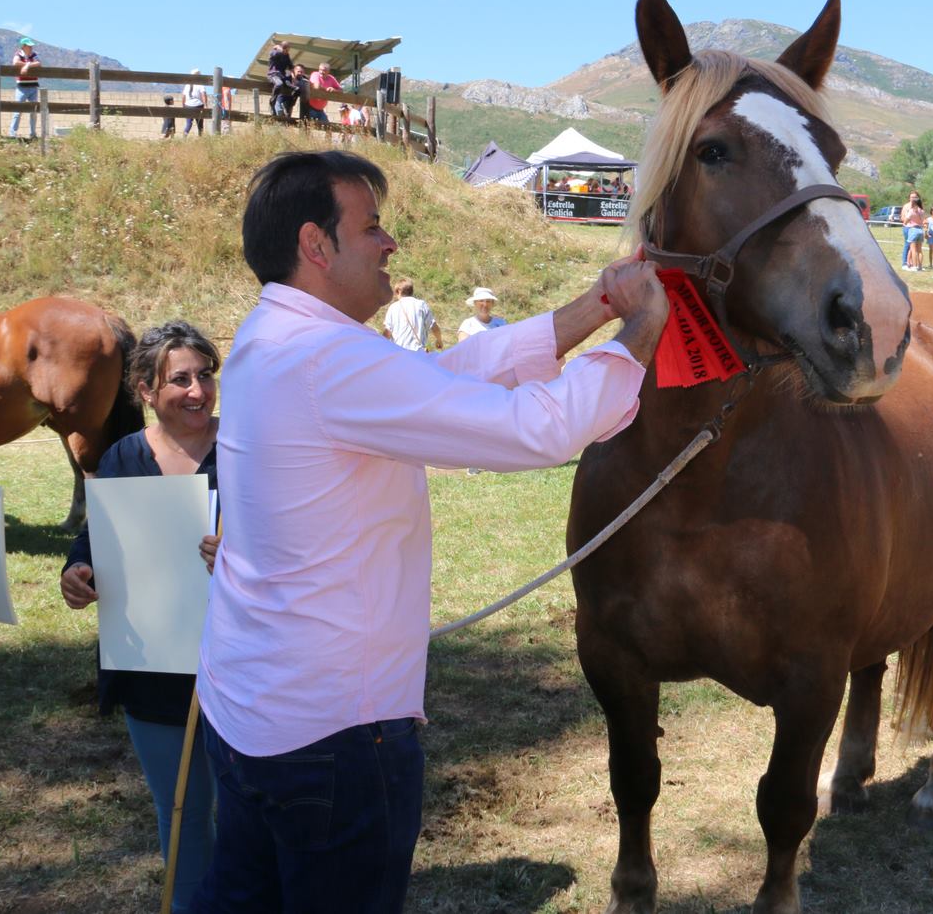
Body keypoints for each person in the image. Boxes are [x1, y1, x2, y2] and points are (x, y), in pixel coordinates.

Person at [191, 150, 666, 913]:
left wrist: (592, 310)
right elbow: (529, 432)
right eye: (372, 226)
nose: (390, 244)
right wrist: (639, 333)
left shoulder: (273, 334)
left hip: (254, 713)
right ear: (317, 245)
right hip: (334, 739)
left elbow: (442, 378)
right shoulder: (327, 358)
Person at [60, 321, 221, 912]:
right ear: (146, 391)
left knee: (242, 811)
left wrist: (241, 556)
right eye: (180, 379)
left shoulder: (246, 453)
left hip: (241, 668)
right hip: (153, 668)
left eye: (206, 375)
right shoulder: (125, 457)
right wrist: (77, 572)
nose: (198, 390)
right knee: (178, 811)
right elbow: (99, 540)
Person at [382, 277, 442, 352]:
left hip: (399, 353)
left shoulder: (393, 307)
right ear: (411, 291)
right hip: (418, 353)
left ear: (398, 291)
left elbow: (387, 332)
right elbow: (434, 326)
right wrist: (439, 340)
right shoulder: (421, 305)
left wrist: (381, 348)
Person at [10, 37, 41, 139]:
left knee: (33, 111)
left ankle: (33, 133)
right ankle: (12, 133)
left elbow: (38, 63)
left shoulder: (34, 55)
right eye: (29, 45)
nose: (31, 47)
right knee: (18, 111)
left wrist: (27, 66)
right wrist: (28, 64)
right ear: (23, 46)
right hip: (22, 87)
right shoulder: (18, 54)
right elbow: (15, 62)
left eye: (31, 46)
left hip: (33, 86)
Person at [266, 42, 299, 118]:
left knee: (297, 89)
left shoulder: (287, 55)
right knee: (279, 84)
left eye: (288, 49)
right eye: (286, 49)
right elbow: (274, 54)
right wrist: (278, 48)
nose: (287, 51)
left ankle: (289, 106)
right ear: (282, 48)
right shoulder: (274, 52)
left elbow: (291, 67)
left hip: (282, 76)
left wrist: (294, 78)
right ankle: (272, 103)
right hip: (273, 74)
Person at [901, 191, 926, 271]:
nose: (912, 198)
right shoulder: (921, 211)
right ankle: (920, 266)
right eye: (911, 197)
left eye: (914, 197)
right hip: (920, 230)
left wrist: (907, 220)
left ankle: (914, 266)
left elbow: (905, 221)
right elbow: (923, 221)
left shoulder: (911, 211)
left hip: (912, 229)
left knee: (913, 249)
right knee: (919, 250)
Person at [181, 71, 208, 137]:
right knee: (200, 124)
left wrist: (183, 105)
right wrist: (206, 104)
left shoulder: (187, 85)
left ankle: (184, 136)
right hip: (198, 105)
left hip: (188, 105)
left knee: (189, 123)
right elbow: (203, 95)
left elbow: (183, 96)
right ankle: (200, 137)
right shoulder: (200, 85)